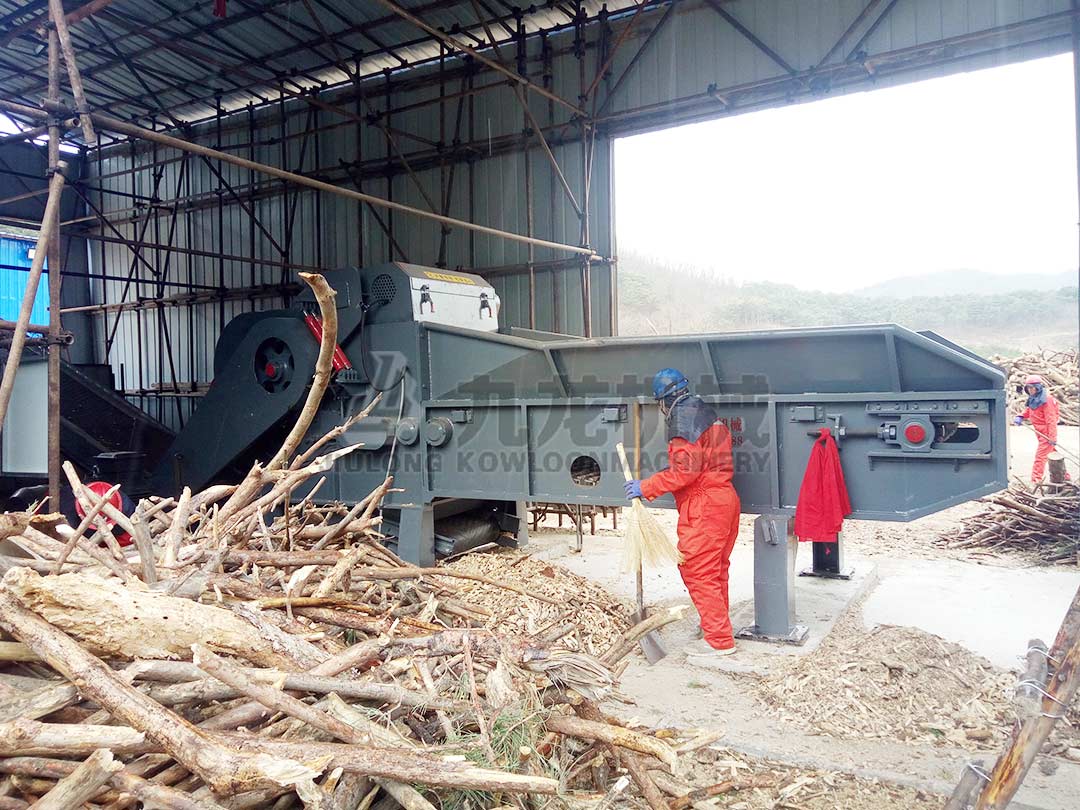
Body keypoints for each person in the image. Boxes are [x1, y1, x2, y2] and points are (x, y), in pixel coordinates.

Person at [624, 368, 742, 658]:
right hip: (725, 499)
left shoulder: (682, 421)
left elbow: (685, 472)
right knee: (715, 569)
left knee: (697, 570)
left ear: (664, 400)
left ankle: (719, 641)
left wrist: (646, 485)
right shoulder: (708, 416)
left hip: (704, 505)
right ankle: (715, 626)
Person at [1013, 374, 1066, 485]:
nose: (1031, 390)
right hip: (1039, 432)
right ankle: (1066, 476)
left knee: (1040, 457)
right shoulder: (1033, 398)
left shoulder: (1047, 400)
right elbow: (1029, 411)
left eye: (1033, 387)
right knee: (1053, 454)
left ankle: (1036, 480)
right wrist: (1021, 416)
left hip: (1046, 433)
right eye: (1028, 388)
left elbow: (1051, 420)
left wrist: (1052, 437)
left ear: (1038, 387)